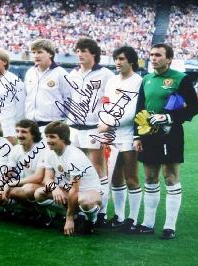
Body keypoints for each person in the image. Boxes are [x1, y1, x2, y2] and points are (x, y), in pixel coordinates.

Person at [133, 43, 198, 239]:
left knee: (170, 176)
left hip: (170, 133)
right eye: (151, 55)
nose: (153, 58)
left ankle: (169, 226)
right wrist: (137, 135)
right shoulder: (146, 79)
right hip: (148, 134)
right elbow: (139, 108)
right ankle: (148, 223)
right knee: (149, 177)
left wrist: (169, 118)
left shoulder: (180, 79)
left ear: (169, 59)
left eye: (158, 55)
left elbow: (195, 107)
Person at [65, 38, 115, 226]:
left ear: (94, 53)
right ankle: (76, 208)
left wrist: (106, 124)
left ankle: (101, 211)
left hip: (94, 128)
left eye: (84, 51)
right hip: (73, 128)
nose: (80, 54)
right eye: (78, 51)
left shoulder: (105, 74)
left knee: (98, 169)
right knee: (73, 168)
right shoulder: (73, 74)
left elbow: (110, 101)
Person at [97, 46, 142, 233]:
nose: (117, 62)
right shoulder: (112, 80)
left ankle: (132, 218)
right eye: (116, 58)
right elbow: (105, 103)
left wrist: (109, 123)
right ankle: (119, 216)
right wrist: (103, 122)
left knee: (131, 177)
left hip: (128, 134)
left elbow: (133, 110)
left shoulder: (138, 81)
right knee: (115, 177)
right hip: (111, 133)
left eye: (121, 58)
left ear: (131, 61)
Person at [34, 121, 102, 236]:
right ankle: (75, 215)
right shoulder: (50, 152)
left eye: (52, 137)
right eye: (47, 136)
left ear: (63, 139)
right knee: (39, 194)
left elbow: (75, 190)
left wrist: (68, 219)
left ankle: (91, 220)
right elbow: (47, 179)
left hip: (89, 192)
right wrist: (55, 189)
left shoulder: (74, 156)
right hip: (69, 190)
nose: (48, 140)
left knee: (85, 202)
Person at [0, 119, 46, 207]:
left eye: (24, 132)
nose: (19, 135)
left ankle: (36, 211)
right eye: (17, 131)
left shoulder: (42, 150)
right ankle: (20, 209)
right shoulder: (16, 148)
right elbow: (8, 173)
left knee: (28, 189)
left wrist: (10, 184)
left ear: (33, 134)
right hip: (22, 182)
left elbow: (38, 177)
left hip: (41, 185)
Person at [24, 39, 71, 133]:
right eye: (34, 52)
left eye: (39, 52)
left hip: (52, 126)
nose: (36, 55)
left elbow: (69, 100)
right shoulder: (30, 72)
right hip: (30, 126)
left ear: (50, 54)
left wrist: (59, 119)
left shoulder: (61, 74)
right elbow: (26, 97)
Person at [0, 48, 26, 145]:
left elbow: (21, 107)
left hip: (8, 127)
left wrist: (17, 127)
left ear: (4, 62)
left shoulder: (15, 81)